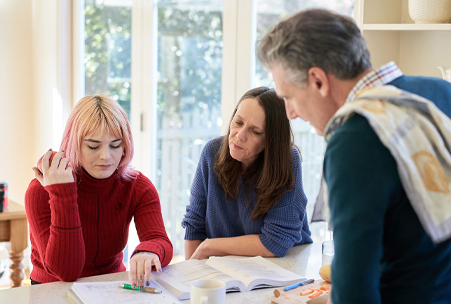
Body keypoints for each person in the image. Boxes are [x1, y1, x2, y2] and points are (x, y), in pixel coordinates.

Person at [257, 9, 451, 304]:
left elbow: (354, 292)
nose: (291, 113)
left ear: (318, 80)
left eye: (288, 96)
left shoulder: (354, 136)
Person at [25, 95, 173, 290]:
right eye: (93, 146)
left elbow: (161, 241)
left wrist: (148, 251)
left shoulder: (138, 186)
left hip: (111, 287)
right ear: (74, 144)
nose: (106, 156)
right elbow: (67, 272)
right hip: (51, 289)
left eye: (115, 145)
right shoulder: (40, 191)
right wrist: (63, 193)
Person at [182, 87, 312, 259]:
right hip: (231, 267)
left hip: (285, 264)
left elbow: (276, 243)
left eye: (255, 131)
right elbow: (194, 225)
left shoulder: (287, 160)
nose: (239, 136)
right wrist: (191, 274)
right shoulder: (212, 152)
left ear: (271, 140)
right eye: (238, 122)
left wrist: (210, 246)